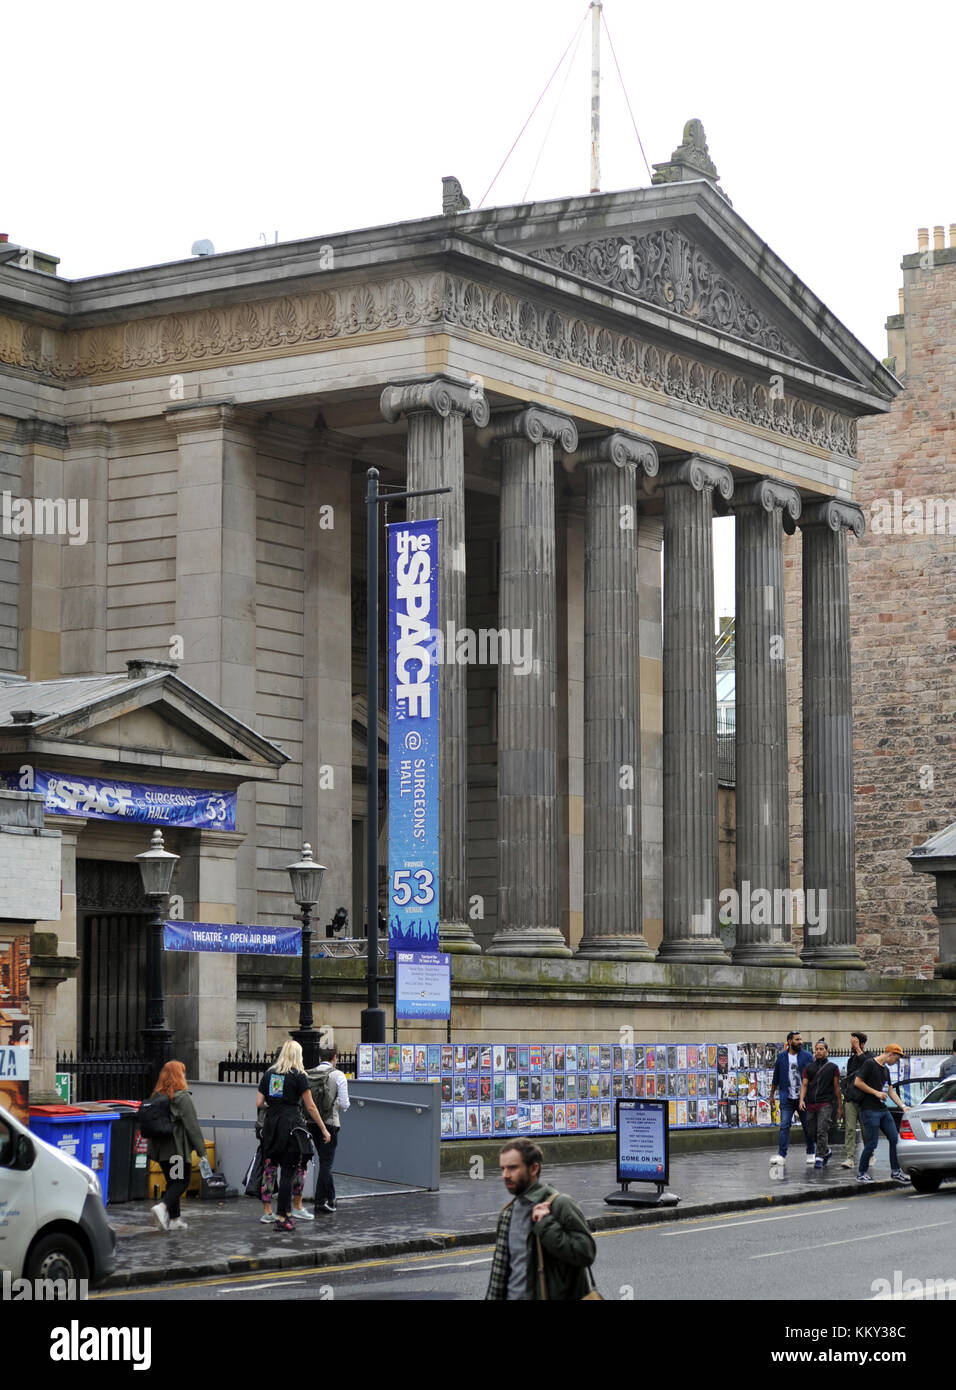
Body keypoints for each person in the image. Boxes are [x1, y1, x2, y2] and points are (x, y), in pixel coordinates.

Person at [486, 1139, 596, 1300]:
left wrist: (546, 1225)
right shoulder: (507, 1213)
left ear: (534, 1168)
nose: (505, 1175)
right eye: (502, 1168)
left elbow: (585, 1254)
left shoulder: (560, 1205)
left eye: (512, 1168)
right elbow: (499, 1273)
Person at [256, 1040, 331, 1231]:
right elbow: (310, 1106)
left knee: (271, 1168)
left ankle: (283, 1213)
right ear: (298, 1055)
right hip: (291, 1127)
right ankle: (283, 1217)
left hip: (271, 1127)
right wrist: (323, 1128)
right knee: (288, 1173)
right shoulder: (299, 1075)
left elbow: (259, 1103)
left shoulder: (270, 1074)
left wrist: (273, 1106)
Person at [145, 1059, 207, 1234]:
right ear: (178, 1075)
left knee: (173, 1181)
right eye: (183, 1072)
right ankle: (162, 1207)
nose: (185, 1075)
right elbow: (192, 1126)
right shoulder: (182, 1097)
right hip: (176, 1151)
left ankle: (174, 1220)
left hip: (162, 1151)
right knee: (181, 1182)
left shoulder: (157, 1097)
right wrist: (201, 1151)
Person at [854, 1043, 911, 1184]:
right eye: (896, 1059)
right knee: (872, 1143)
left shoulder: (885, 1070)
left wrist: (903, 1106)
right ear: (890, 1054)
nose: (896, 1062)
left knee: (894, 1138)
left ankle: (896, 1172)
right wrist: (876, 1093)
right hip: (869, 1109)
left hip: (882, 1110)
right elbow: (858, 1082)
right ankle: (861, 1173)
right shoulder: (869, 1064)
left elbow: (890, 1091)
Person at [307, 1045, 350, 1215]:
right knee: (326, 1163)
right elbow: (345, 1104)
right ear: (335, 1057)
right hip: (330, 1123)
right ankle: (320, 1201)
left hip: (312, 1122)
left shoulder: (309, 1074)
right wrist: (336, 1103)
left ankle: (332, 1197)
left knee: (324, 1160)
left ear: (320, 1058)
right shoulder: (338, 1075)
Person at [769, 1031, 814, 1172]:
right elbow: (776, 1078)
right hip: (787, 1098)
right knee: (784, 1125)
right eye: (797, 1039)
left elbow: (813, 1076)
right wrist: (771, 1095)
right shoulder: (781, 1057)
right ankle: (781, 1155)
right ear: (789, 1041)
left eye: (800, 1039)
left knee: (808, 1126)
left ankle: (811, 1152)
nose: (800, 1042)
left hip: (803, 1098)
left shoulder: (807, 1056)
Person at [798, 1039, 842, 1167]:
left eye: (821, 1049)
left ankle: (819, 1157)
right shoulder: (809, 1068)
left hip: (825, 1103)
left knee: (822, 1130)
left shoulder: (833, 1068)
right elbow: (804, 1085)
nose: (818, 1051)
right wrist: (801, 1100)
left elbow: (837, 1087)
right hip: (811, 1103)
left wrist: (839, 1106)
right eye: (816, 1049)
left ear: (827, 1051)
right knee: (811, 1131)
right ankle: (826, 1151)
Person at [840, 1030, 869, 1168]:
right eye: (852, 1043)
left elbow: (868, 1068)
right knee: (850, 1129)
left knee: (865, 1129)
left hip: (864, 1100)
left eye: (854, 1042)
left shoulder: (870, 1057)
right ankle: (849, 1158)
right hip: (851, 1098)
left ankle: (870, 1154)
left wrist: (858, 1049)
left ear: (861, 1043)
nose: (852, 1045)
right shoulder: (851, 1060)